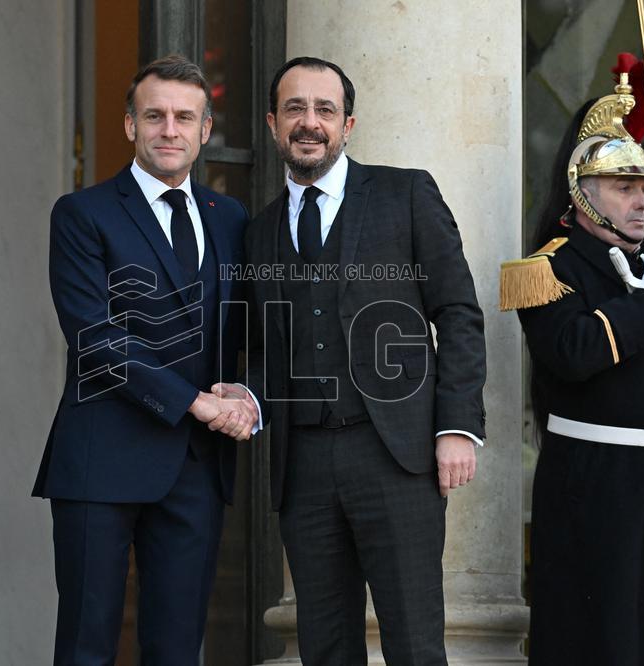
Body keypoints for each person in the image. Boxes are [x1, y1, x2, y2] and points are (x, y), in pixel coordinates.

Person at [218, 56, 487, 665]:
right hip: (304, 465)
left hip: (397, 456)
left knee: (415, 644)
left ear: (349, 124)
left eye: (324, 110)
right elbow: (269, 350)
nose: (309, 122)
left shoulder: (405, 192)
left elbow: (458, 314)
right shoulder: (258, 233)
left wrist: (456, 426)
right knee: (325, 648)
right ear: (271, 123)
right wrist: (250, 398)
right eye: (294, 109)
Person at [500, 66, 644, 665]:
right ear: (583, 192)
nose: (642, 201)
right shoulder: (551, 270)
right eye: (624, 187)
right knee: (608, 642)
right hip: (598, 486)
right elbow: (574, 354)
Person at [32, 55, 258, 666]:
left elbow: (248, 327)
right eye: (153, 115)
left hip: (195, 465)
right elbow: (94, 337)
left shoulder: (230, 218)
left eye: (185, 117)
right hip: (100, 456)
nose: (169, 129)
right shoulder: (82, 214)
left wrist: (246, 395)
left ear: (205, 130)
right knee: (86, 645)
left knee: (179, 649)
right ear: (130, 125)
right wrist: (197, 401)